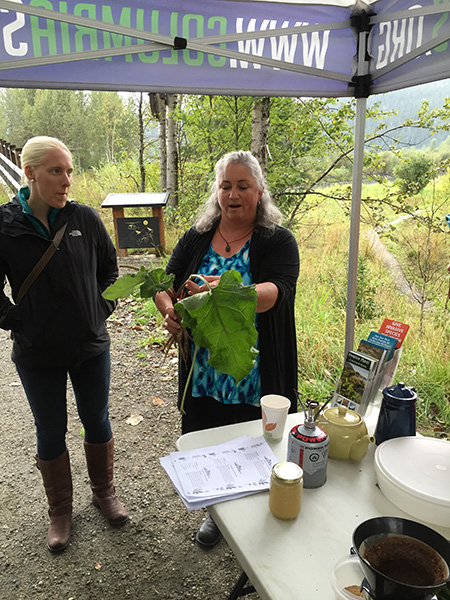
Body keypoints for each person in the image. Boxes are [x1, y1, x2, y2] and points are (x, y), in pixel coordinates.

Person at [155, 150, 299, 547]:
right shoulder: (198, 236)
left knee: (254, 447)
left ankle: (252, 518)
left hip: (254, 371)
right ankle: (217, 514)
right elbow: (164, 283)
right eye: (225, 185)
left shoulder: (277, 241)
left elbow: (278, 292)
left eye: (243, 186)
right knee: (205, 441)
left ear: (260, 191)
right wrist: (170, 311)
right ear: (216, 191)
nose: (233, 194)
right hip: (202, 369)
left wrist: (233, 291)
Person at [0, 136, 128, 553]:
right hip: (37, 353)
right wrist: (17, 320)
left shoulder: (85, 220)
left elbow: (111, 272)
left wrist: (98, 309)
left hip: (90, 346)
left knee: (97, 418)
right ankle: (59, 511)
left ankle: (104, 492)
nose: (66, 180)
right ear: (30, 173)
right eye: (57, 171)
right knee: (50, 430)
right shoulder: (6, 225)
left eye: (70, 171)